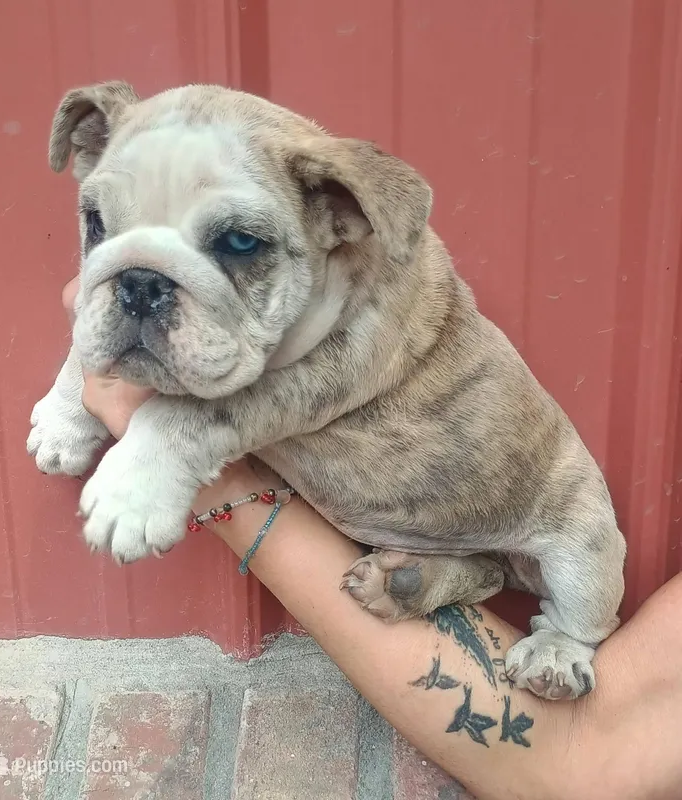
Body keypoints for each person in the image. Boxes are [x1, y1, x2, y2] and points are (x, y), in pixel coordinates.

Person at [63, 277, 681, 800]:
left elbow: (587, 755)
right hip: (401, 501)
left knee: (577, 530)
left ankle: (567, 633)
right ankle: (466, 571)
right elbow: (591, 754)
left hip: (527, 512)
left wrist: (202, 470)